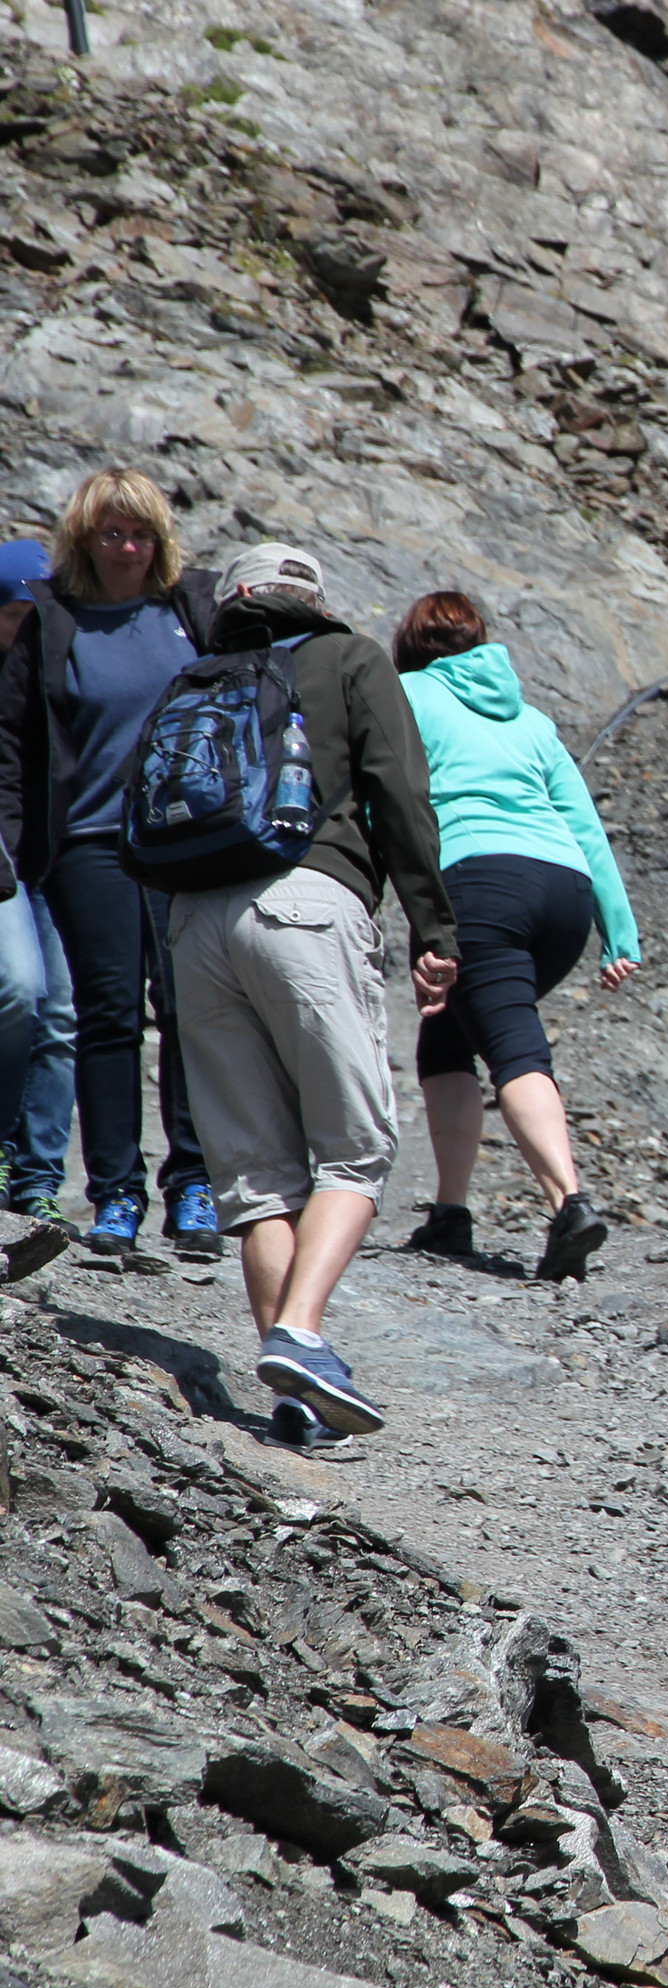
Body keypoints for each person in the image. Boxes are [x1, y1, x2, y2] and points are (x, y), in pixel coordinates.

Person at [155, 544, 458, 1447]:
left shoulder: (196, 678)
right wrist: (434, 929)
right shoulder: (351, 657)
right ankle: (299, 1333)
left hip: (194, 924)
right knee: (355, 1152)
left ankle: (291, 1393)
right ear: (314, 601)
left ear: (235, 601)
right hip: (306, 905)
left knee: (256, 1175)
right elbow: (399, 792)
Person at [0, 471, 220, 1260]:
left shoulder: (193, 611)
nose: (128, 549)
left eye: (141, 534)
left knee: (191, 1008)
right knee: (109, 1014)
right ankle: (117, 1194)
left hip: (187, 839)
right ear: (85, 539)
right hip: (90, 843)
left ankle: (194, 1185)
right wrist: (13, 849)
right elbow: (14, 745)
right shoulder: (52, 623)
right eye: (112, 534)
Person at [389, 591, 640, 1281]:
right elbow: (585, 824)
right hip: (564, 894)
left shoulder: (405, 694)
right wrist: (619, 934)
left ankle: (569, 1205)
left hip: (477, 884)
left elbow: (387, 792)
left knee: (509, 1043)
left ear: (408, 647)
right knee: (448, 1036)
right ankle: (450, 1213)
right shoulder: (531, 719)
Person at [0, 543, 69, 1281]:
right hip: (8, 858)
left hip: (51, 857)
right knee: (19, 990)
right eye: (19, 613)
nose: (30, 628)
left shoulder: (57, 671)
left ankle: (40, 1180)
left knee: (61, 1013)